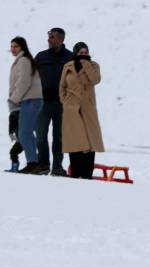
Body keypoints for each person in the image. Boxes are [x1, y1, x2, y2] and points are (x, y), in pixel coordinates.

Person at [60, 42, 104, 179]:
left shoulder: (94, 66)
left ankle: (86, 174)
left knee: (89, 142)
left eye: (86, 52)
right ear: (75, 54)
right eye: (81, 53)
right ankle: (75, 173)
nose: (84, 55)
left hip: (87, 108)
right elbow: (62, 86)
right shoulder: (67, 67)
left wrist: (86, 64)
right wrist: (65, 101)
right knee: (75, 142)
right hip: (71, 108)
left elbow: (95, 80)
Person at [34, 27, 73, 176]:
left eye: (53, 37)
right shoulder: (41, 57)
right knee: (41, 135)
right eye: (49, 36)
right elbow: (32, 77)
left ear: (61, 39)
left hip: (62, 104)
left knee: (59, 137)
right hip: (43, 103)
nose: (49, 39)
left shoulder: (70, 57)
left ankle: (57, 167)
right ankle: (43, 164)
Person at [9, 37, 44, 174]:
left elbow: (23, 82)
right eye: (11, 46)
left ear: (22, 47)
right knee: (27, 133)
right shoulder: (21, 60)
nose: (13, 49)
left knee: (24, 133)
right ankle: (34, 162)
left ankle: (33, 163)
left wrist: (14, 99)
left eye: (16, 46)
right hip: (28, 100)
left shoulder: (23, 60)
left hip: (31, 100)